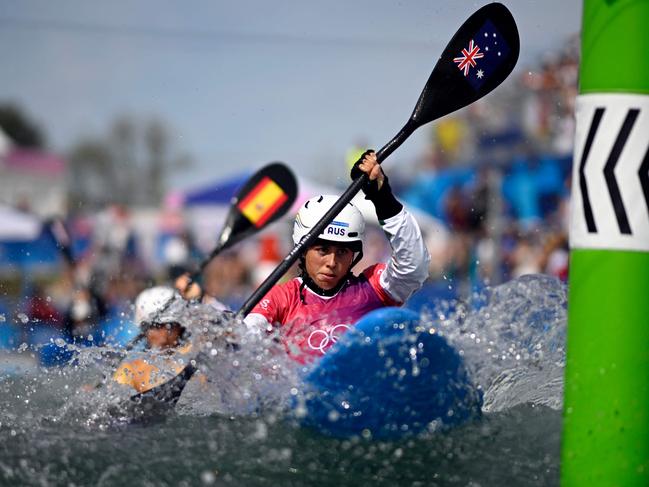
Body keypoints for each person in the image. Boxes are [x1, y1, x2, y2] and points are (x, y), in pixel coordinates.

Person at [244, 150, 431, 363]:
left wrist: (384, 199)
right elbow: (250, 332)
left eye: (342, 252)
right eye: (322, 250)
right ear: (303, 251)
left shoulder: (373, 289)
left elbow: (413, 267)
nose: (332, 263)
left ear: (354, 254)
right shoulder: (281, 298)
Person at [112, 286, 196, 393]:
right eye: (156, 326)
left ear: (180, 325)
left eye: (169, 326)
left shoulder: (195, 354)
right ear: (144, 329)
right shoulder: (130, 370)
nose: (164, 336)